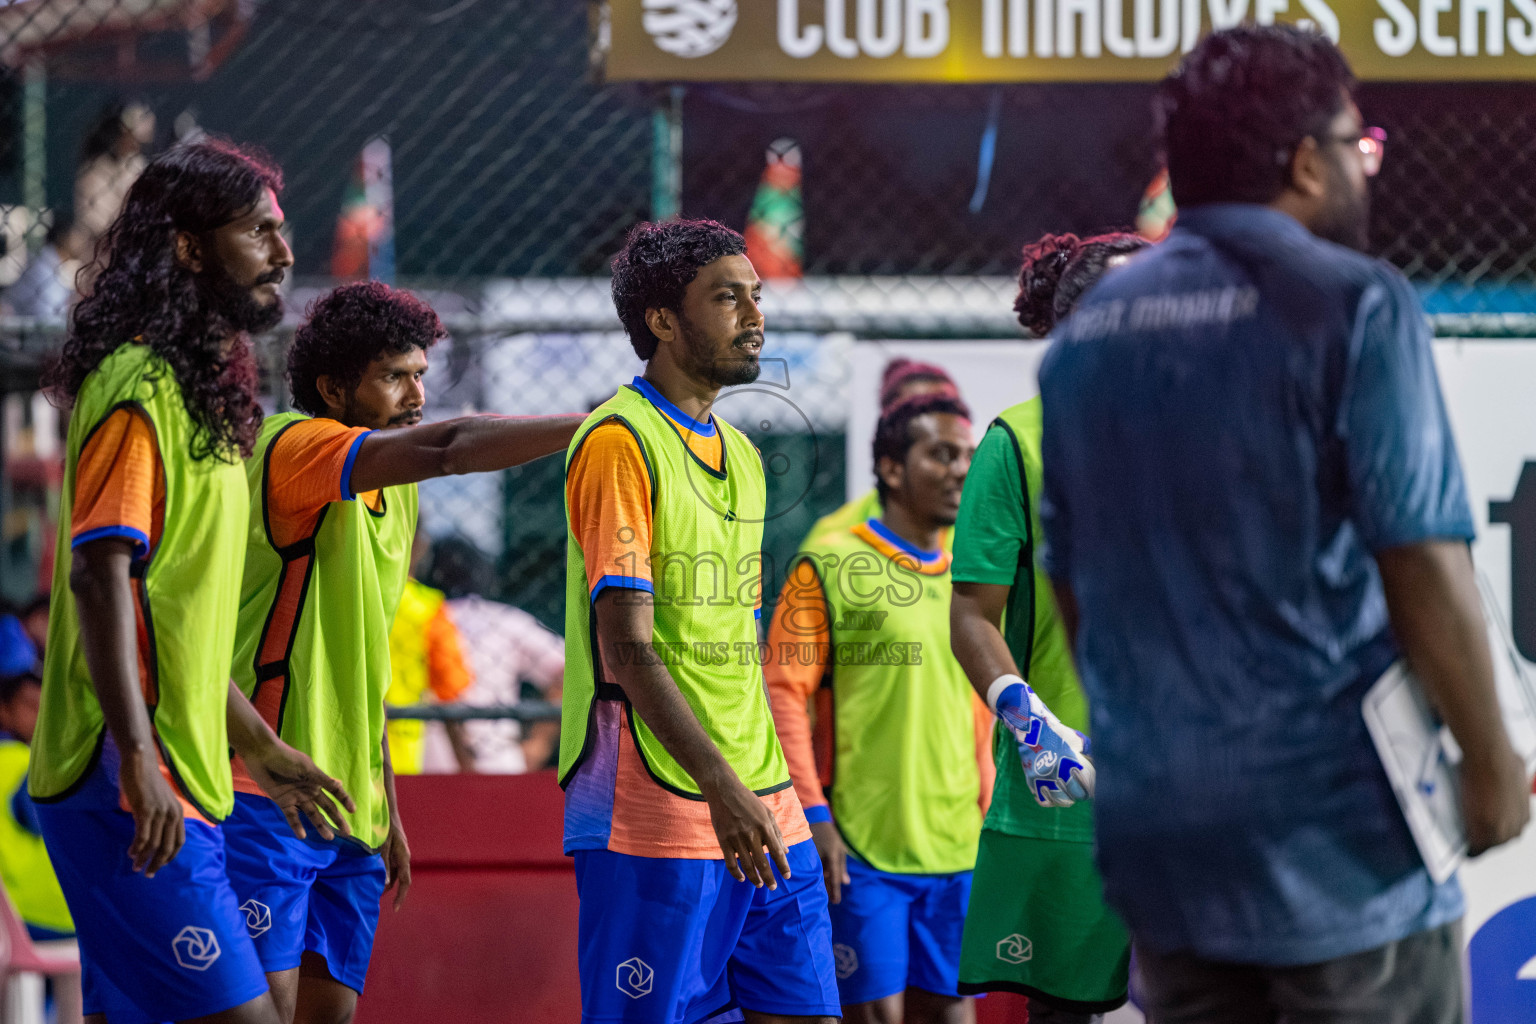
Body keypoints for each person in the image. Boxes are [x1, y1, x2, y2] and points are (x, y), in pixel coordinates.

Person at [1037, 25, 1532, 1022]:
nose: (1366, 166)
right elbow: (1424, 561)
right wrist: (1491, 769)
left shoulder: (1086, 335)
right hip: (1337, 855)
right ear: (1307, 162)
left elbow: (1076, 582)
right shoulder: (1354, 306)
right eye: (1360, 144)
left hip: (1166, 847)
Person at [29, 139, 354, 1024]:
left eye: (281, 231)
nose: (283, 252)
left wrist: (260, 749)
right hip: (125, 779)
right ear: (187, 247)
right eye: (256, 231)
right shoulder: (137, 387)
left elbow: (171, 629)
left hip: (187, 776)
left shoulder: (200, 398)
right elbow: (103, 578)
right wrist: (135, 757)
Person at [225, 280, 583, 1024]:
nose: (417, 392)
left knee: (331, 1014)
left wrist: (387, 801)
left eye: (421, 374)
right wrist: (598, 424)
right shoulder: (294, 446)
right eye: (395, 376)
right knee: (262, 1012)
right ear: (333, 386)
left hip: (351, 806)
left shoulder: (399, 494)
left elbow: (367, 667)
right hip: (265, 792)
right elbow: (454, 446)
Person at [561, 218, 840, 1024]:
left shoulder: (744, 457)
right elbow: (626, 645)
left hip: (766, 799)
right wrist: (719, 783)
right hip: (659, 799)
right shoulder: (619, 440)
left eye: (755, 295)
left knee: (810, 1013)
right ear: (662, 320)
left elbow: (737, 648)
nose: (755, 314)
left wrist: (782, 791)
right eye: (727, 296)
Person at [948, 232, 1147, 1022]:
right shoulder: (1017, 442)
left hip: (1199, 786)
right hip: (1070, 791)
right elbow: (970, 614)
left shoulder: (1210, 424)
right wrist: (1027, 719)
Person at [767, 393, 990, 1024]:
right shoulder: (830, 562)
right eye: (941, 454)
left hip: (960, 845)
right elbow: (782, 694)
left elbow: (978, 704)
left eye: (968, 456)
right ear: (891, 468)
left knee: (954, 1015)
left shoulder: (977, 573)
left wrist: (988, 809)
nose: (961, 470)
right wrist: (814, 815)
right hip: (863, 849)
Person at [422, 536, 565, 774]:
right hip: (496, 763)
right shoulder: (503, 619)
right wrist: (539, 743)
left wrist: (538, 743)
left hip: (419, 764)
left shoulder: (414, 616)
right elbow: (567, 671)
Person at [803, 358, 957, 547]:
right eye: (913, 412)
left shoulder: (988, 528)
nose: (936, 425)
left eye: (947, 410)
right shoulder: (830, 541)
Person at [385, 524, 475, 775]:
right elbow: (451, 694)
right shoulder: (427, 609)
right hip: (397, 757)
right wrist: (469, 767)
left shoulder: (338, 598)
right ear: (419, 546)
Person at [74, 101, 155, 252]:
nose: (136, 144)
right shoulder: (95, 169)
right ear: (117, 133)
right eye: (130, 136)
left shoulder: (137, 164)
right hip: (101, 253)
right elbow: (96, 225)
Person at [9, 213, 86, 320]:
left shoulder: (53, 261)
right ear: (63, 238)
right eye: (76, 236)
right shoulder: (43, 266)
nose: (81, 242)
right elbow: (49, 316)